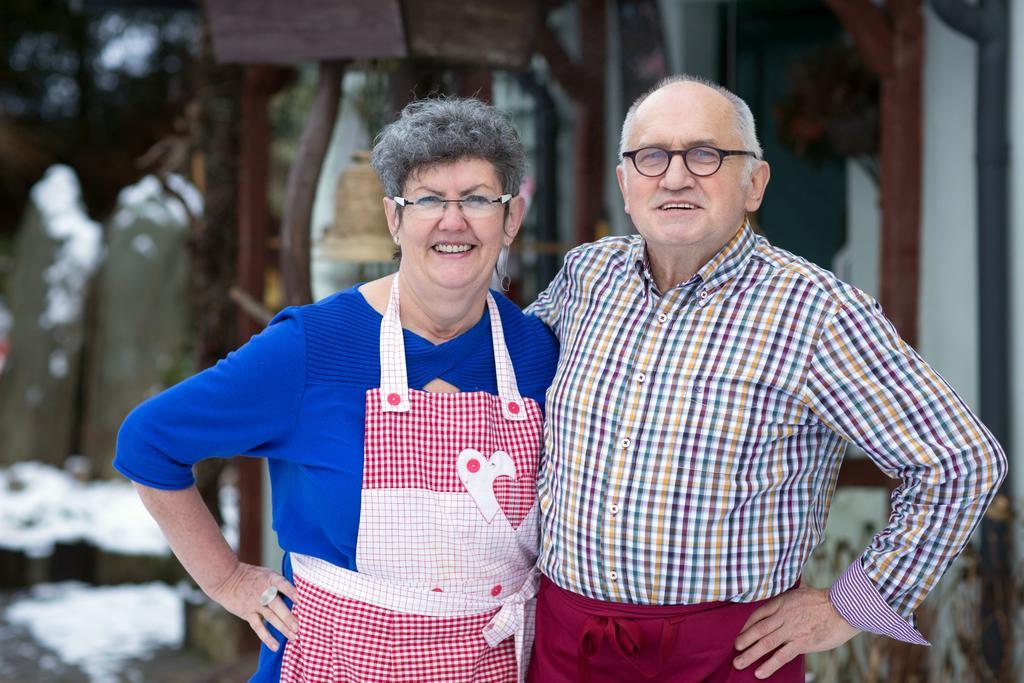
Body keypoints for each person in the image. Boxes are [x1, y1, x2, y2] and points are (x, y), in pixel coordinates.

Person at [525, 75, 1006, 682]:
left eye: (705, 154)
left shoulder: (817, 311)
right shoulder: (587, 276)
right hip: (571, 644)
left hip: (729, 655)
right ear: (625, 184)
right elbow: (503, 378)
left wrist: (852, 606)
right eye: (651, 157)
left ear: (754, 183)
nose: (675, 177)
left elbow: (961, 462)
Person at [115, 97, 558, 683]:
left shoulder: (539, 354)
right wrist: (227, 579)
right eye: (427, 199)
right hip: (334, 664)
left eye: (477, 198)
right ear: (394, 218)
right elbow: (149, 441)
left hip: (492, 667)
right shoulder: (311, 347)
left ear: (511, 217)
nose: (453, 221)